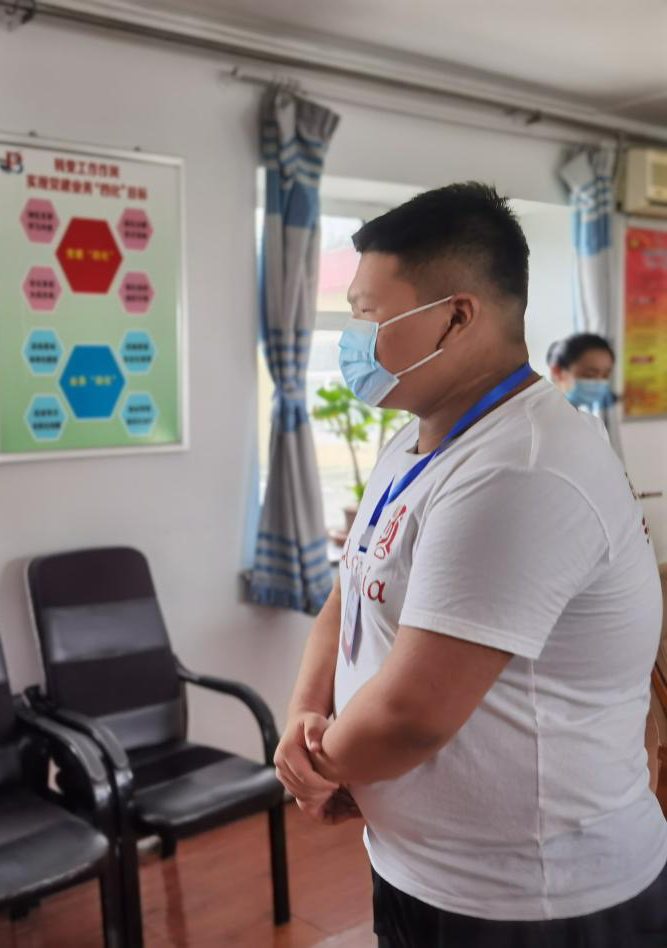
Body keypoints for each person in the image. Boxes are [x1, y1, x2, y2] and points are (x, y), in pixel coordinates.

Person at [274, 183, 666, 946]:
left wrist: (322, 767)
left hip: (537, 902)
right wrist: (303, 723)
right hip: (421, 869)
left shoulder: (521, 468)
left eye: (368, 314)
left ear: (456, 317)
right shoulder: (417, 438)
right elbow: (346, 598)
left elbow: (412, 715)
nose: (352, 339)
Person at [547, 331, 617, 414]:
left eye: (605, 375)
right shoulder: (543, 415)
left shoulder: (581, 415)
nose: (599, 382)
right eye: (589, 375)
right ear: (557, 371)